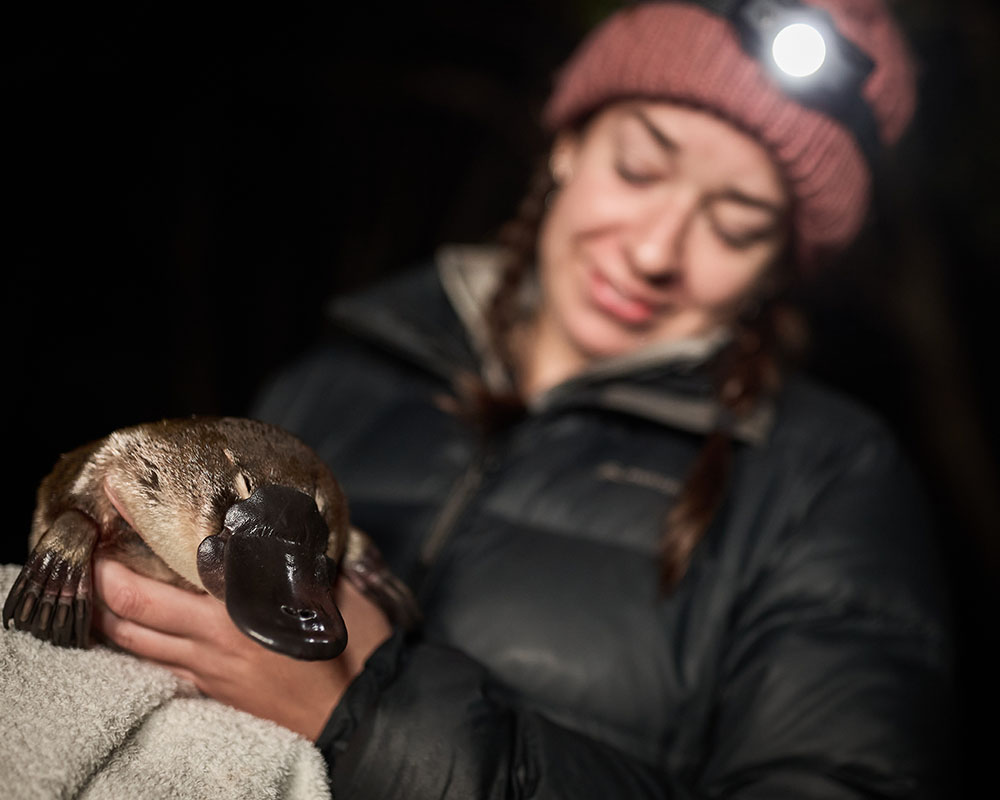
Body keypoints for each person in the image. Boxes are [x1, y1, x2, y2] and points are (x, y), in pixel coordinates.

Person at [92, 0, 955, 796]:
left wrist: (369, 714)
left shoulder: (830, 476)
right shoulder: (339, 378)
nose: (657, 248)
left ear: (777, 267)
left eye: (736, 225)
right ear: (568, 144)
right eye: (640, 164)